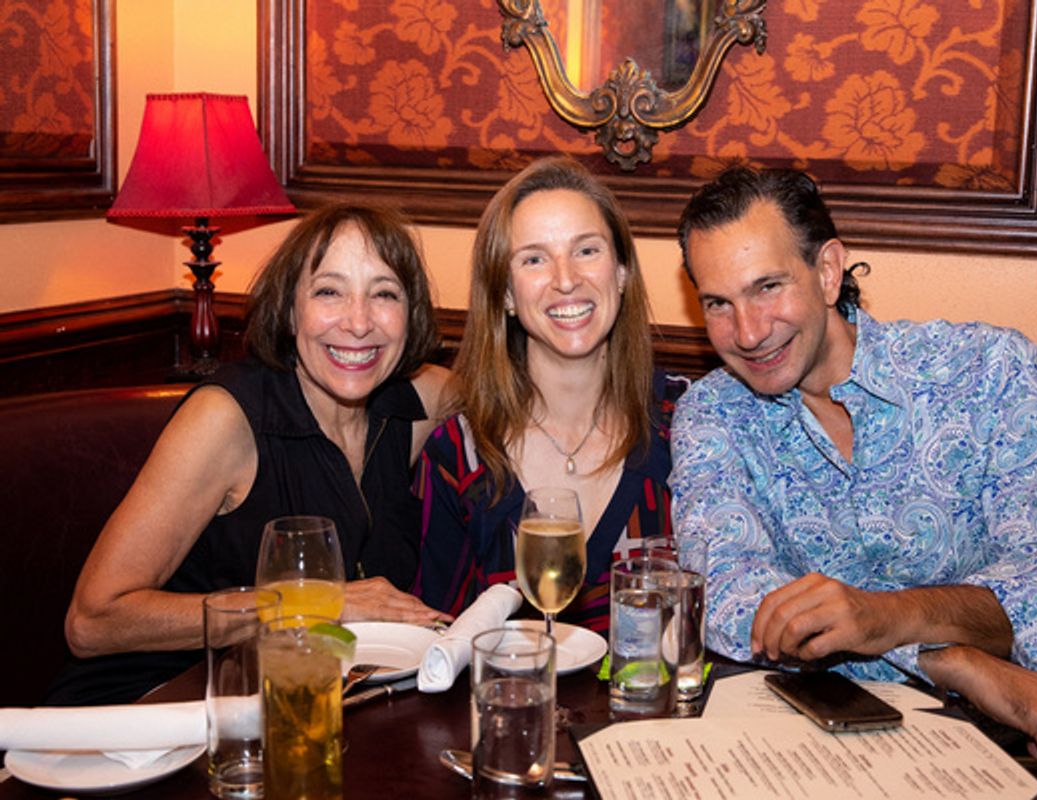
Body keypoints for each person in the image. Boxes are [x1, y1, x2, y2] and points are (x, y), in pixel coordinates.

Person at [669, 166, 1037, 787]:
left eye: (768, 287)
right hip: (811, 757)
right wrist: (944, 658)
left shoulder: (989, 373)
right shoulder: (712, 414)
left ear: (829, 271)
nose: (747, 332)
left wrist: (888, 617)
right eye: (719, 303)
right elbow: (730, 596)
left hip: (1004, 749)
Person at [50, 204, 452, 705]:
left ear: (410, 316)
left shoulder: (415, 402)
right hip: (147, 707)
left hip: (288, 702)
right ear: (290, 310)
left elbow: (509, 399)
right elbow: (91, 623)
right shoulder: (226, 418)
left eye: (384, 294)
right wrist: (319, 605)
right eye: (329, 291)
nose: (358, 322)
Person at [413, 156, 685, 633]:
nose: (565, 279)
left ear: (621, 272)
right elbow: (435, 635)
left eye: (587, 250)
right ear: (505, 294)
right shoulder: (459, 456)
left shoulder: (686, 425)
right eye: (534, 259)